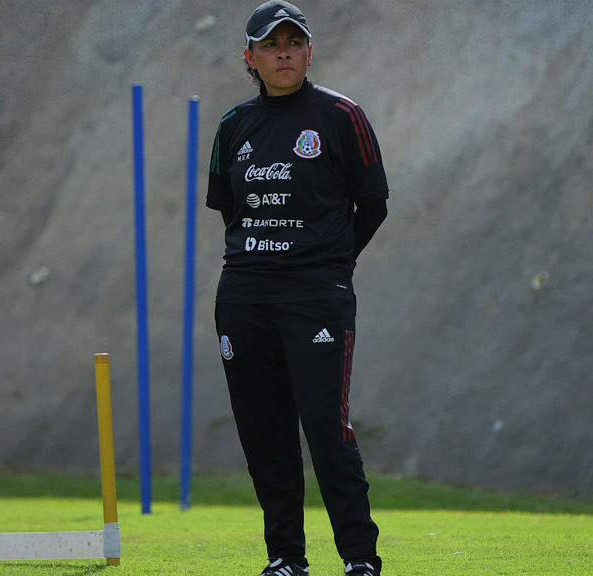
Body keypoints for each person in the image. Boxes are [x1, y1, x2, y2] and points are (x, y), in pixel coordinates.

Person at [206, 2, 389, 575]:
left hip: (315, 295)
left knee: (325, 427)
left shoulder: (342, 115)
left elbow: (374, 205)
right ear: (250, 58)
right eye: (270, 44)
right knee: (265, 434)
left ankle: (360, 559)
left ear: (309, 51)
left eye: (293, 42)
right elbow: (230, 210)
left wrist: (330, 264)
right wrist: (266, 261)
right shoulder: (234, 126)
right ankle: (286, 559)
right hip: (243, 296)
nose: (283, 52)